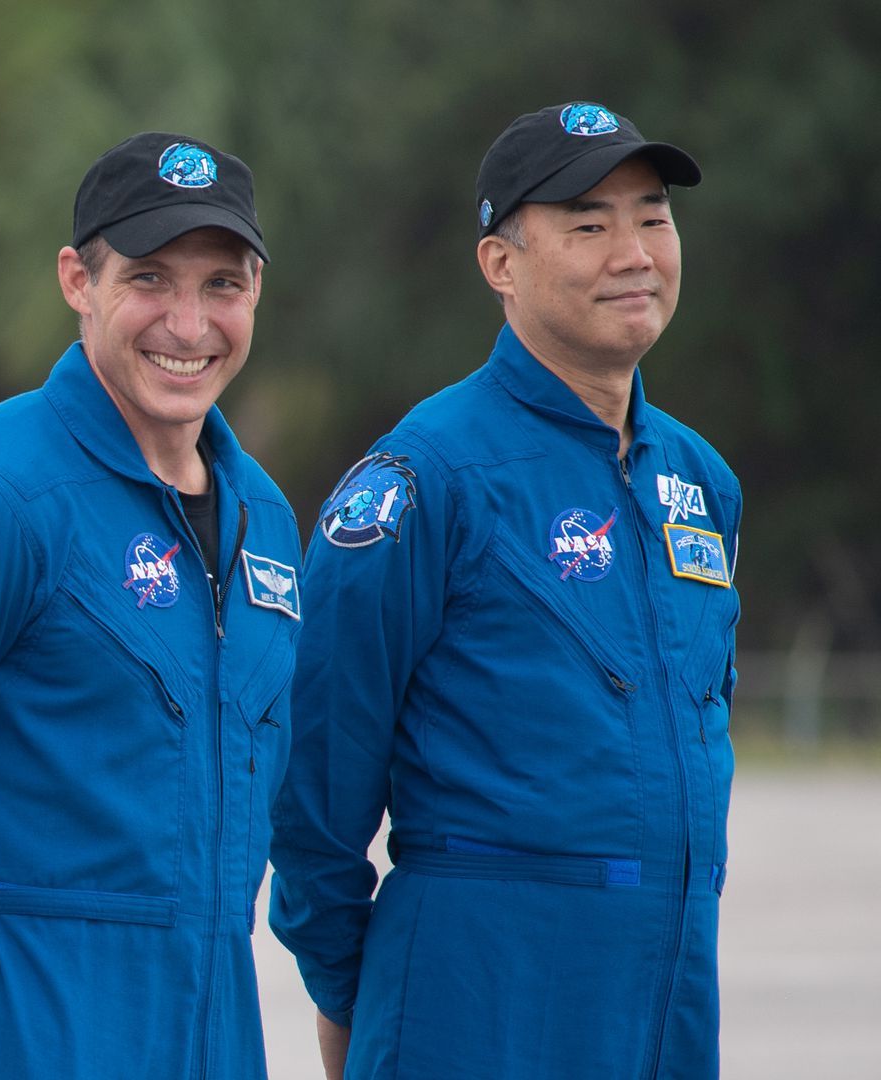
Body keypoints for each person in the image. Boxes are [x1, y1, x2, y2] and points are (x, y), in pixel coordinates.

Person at [269, 102, 739, 1079]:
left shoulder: (698, 482)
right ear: (500, 264)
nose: (634, 253)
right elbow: (316, 789)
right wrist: (359, 998)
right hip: (479, 997)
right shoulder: (425, 480)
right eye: (587, 224)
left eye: (652, 217)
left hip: (667, 996)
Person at [0, 132, 302, 1078]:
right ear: (76, 282)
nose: (188, 321)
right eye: (149, 279)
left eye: (222, 284)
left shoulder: (269, 524)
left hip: (211, 1024)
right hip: (18, 1022)